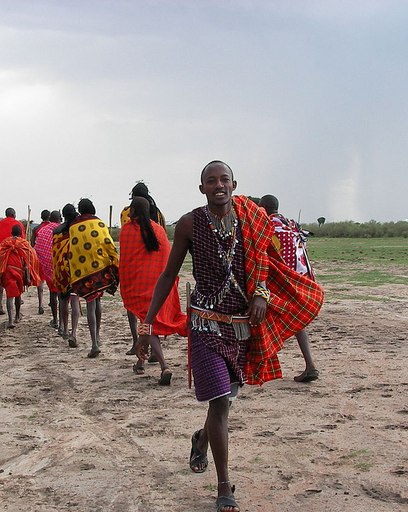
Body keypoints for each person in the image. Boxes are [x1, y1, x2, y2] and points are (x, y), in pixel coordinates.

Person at [137, 161, 324, 512]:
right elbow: (169, 275)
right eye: (211, 181)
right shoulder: (189, 224)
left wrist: (261, 294)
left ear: (234, 184)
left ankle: (202, 438)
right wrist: (147, 326)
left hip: (242, 327)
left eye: (224, 180)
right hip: (206, 324)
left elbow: (266, 266)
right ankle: (224, 487)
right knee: (221, 401)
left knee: (224, 402)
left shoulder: (254, 219)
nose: (218, 185)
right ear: (202, 188)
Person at [119, 196, 187, 385]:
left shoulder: (126, 231)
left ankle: (164, 365)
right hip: (158, 286)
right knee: (149, 323)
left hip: (138, 286)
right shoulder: (159, 230)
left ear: (132, 211)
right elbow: (167, 260)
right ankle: (140, 362)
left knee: (149, 325)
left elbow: (124, 262)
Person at [259, 194, 320, 382]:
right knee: (296, 322)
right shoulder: (291, 224)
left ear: (264, 208)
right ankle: (309, 365)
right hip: (301, 280)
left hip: (280, 281)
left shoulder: (267, 226)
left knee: (262, 318)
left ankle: (259, 366)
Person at [119, 182, 168, 356]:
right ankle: (155, 348)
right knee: (155, 309)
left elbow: (128, 237)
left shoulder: (127, 213)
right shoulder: (158, 214)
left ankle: (137, 343)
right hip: (156, 268)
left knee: (135, 309)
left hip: (137, 269)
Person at [69, 198, 120, 358]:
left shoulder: (73, 226)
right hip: (100, 269)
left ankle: (94, 343)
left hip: (83, 272)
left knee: (91, 303)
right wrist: (114, 261)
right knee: (97, 301)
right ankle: (96, 337)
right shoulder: (100, 223)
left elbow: (73, 249)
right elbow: (108, 243)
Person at [0, 224, 40, 328]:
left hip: (7, 272)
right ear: (21, 234)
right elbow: (31, 258)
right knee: (18, 294)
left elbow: (0, 258)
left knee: (10, 296)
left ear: (11, 233)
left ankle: (10, 320)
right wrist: (28, 273)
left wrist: (0, 272)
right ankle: (16, 317)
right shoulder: (24, 243)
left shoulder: (5, 243)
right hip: (19, 272)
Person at [52, 204, 81, 347]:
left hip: (61, 269)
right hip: (75, 268)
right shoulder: (77, 229)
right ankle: (74, 333)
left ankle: (64, 329)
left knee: (63, 299)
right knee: (75, 299)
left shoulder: (57, 230)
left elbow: (55, 251)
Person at [0, 208, 24, 315]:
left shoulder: (0, 224)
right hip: (15, 259)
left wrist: (0, 251)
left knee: (1, 278)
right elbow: (21, 241)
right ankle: (17, 303)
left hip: (1, 256)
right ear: (14, 214)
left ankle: (0, 304)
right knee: (17, 278)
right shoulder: (17, 224)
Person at [34, 209, 61, 329]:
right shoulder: (66, 229)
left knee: (52, 293)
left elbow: (36, 248)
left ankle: (55, 319)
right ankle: (63, 324)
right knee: (63, 296)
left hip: (48, 266)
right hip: (63, 267)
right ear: (60, 218)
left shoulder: (41, 230)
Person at [30, 209, 51, 315]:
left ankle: (40, 304)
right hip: (51, 258)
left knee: (41, 282)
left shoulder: (37, 229)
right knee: (52, 282)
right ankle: (52, 302)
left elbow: (32, 243)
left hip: (40, 258)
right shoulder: (54, 228)